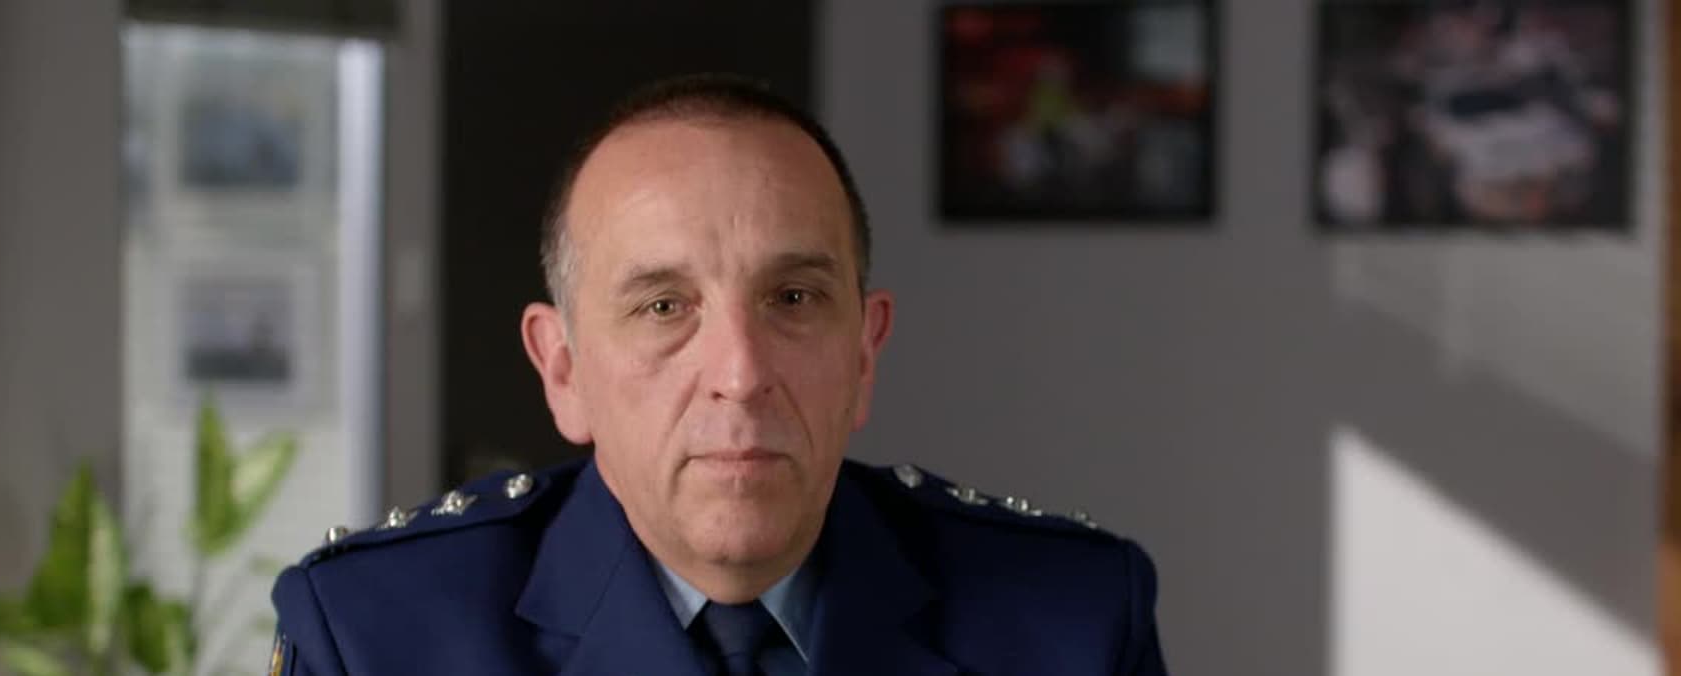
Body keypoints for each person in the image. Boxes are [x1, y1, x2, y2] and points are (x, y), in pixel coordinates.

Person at [268, 73, 1167, 676]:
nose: (740, 374)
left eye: (794, 298)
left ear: (864, 353)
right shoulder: (374, 636)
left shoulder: (1073, 622)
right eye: (665, 306)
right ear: (564, 369)